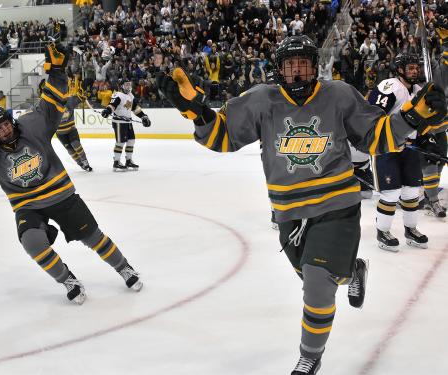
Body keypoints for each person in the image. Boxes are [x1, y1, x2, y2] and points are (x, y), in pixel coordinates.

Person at [156, 35, 446, 374]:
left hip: (337, 204)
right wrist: (196, 110)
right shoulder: (261, 100)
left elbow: (377, 136)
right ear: (279, 69)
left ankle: (310, 356)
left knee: (318, 283)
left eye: (303, 65)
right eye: (290, 66)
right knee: (312, 273)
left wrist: (411, 117)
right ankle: (351, 270)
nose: (297, 73)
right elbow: (221, 137)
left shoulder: (337, 94)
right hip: (289, 213)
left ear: (314, 66)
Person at [0, 43, 143, 305]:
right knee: (32, 242)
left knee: (92, 236)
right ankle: (68, 279)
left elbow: (52, 98)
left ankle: (124, 267)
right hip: (27, 205)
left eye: (6, 124)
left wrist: (58, 70)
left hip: (62, 196)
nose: (4, 131)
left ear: (11, 121)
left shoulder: (33, 124)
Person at [367, 53, 432, 251]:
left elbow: (425, 122)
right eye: (410, 68)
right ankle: (382, 232)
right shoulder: (389, 86)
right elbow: (373, 115)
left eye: (416, 68)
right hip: (386, 147)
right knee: (391, 192)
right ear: (400, 69)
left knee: (412, 191)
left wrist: (427, 137)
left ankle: (410, 230)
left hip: (410, 147)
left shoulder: (420, 90)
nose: (415, 71)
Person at [421, 14, 448, 218]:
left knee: (439, 161)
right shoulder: (429, 68)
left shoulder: (438, 65)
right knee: (431, 161)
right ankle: (432, 200)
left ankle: (429, 196)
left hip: (443, 124)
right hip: (427, 124)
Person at [39, 73, 93, 172]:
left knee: (76, 144)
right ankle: (80, 164)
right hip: (59, 132)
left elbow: (82, 97)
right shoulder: (50, 104)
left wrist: (85, 90)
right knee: (70, 150)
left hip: (71, 129)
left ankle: (85, 162)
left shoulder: (70, 100)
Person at [101, 78, 151, 171]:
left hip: (128, 122)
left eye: (129, 84)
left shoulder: (130, 95)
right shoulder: (117, 95)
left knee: (131, 141)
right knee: (120, 142)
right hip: (119, 123)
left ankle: (128, 160)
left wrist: (143, 116)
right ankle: (116, 162)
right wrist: (107, 111)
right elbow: (112, 105)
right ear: (121, 86)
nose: (128, 86)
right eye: (126, 85)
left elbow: (135, 108)